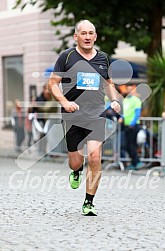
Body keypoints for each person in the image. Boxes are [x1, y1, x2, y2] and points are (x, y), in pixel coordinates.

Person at [48, 20, 121, 215]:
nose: (87, 37)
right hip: (73, 115)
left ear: (95, 36)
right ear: (76, 37)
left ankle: (89, 202)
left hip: (96, 114)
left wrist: (114, 100)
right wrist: (64, 102)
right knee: (76, 161)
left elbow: (109, 83)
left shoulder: (104, 58)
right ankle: (76, 171)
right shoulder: (67, 57)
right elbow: (53, 83)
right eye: (83, 33)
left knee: (95, 157)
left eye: (91, 33)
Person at [118, 85, 144, 170]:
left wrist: (132, 123)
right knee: (125, 145)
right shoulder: (125, 100)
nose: (129, 91)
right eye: (127, 89)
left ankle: (136, 163)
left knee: (132, 145)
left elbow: (137, 114)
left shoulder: (136, 100)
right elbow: (125, 112)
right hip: (126, 125)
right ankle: (135, 162)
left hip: (133, 126)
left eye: (130, 90)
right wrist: (121, 118)